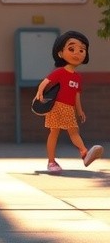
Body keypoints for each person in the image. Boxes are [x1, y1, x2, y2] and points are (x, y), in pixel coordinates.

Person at [33, 29, 104, 175]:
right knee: (55, 132)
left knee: (72, 131)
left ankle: (84, 154)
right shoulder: (60, 72)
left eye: (81, 50)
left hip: (69, 108)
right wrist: (39, 94)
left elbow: (76, 95)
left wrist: (80, 110)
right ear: (60, 53)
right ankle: (54, 161)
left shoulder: (77, 77)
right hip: (56, 106)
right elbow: (45, 83)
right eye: (71, 49)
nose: (77, 53)